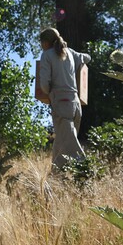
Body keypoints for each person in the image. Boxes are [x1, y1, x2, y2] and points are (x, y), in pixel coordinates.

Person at [38, 27, 91, 169]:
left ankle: (86, 169)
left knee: (70, 143)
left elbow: (44, 84)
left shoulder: (47, 55)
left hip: (61, 103)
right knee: (61, 141)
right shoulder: (71, 53)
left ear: (45, 42)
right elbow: (87, 58)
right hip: (75, 104)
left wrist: (49, 94)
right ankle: (56, 174)